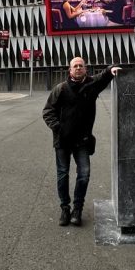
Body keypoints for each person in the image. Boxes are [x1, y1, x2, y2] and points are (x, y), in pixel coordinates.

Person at [42, 57, 122, 226]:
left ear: (86, 69)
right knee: (63, 175)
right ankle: (65, 208)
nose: (78, 68)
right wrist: (58, 128)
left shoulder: (91, 86)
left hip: (83, 141)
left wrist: (112, 69)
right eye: (75, 66)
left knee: (84, 175)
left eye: (81, 66)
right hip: (63, 141)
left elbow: (104, 75)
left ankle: (77, 209)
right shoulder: (60, 89)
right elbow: (48, 111)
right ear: (70, 70)